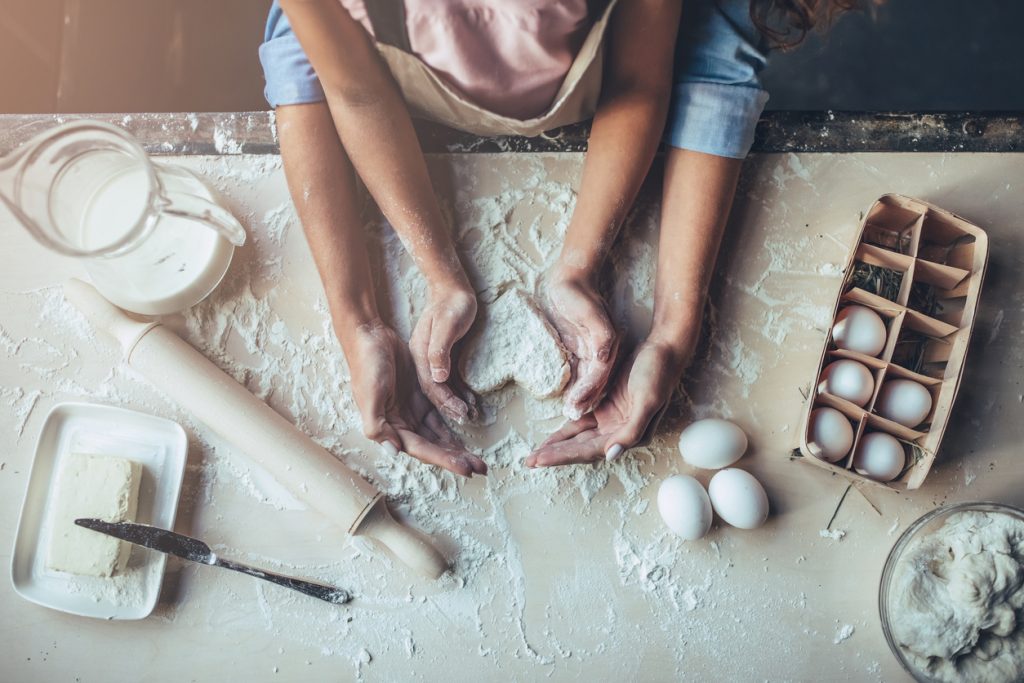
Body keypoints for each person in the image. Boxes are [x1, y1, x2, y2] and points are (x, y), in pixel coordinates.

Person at [259, 0, 862, 476]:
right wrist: (362, 313)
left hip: (613, 85)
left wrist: (671, 326)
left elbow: (644, 76)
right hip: (386, 93)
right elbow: (350, 86)